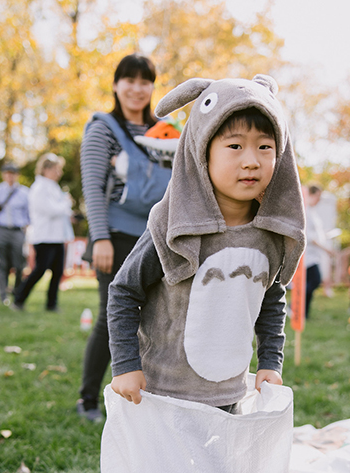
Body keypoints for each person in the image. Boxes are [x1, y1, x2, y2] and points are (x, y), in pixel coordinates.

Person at [108, 74, 305, 412]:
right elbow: (125, 292)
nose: (251, 160)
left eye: (265, 147)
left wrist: (271, 360)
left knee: (218, 466)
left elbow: (271, 299)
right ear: (203, 152)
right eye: (235, 145)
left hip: (228, 394)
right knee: (167, 468)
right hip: (164, 393)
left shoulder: (270, 234)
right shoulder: (175, 226)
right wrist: (126, 365)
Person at [77, 53, 171, 422]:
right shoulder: (102, 129)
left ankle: (145, 398)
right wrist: (98, 237)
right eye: (129, 80)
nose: (136, 88)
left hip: (155, 236)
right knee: (110, 316)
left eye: (144, 81)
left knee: (156, 319)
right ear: (116, 84)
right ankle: (87, 399)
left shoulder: (165, 130)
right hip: (114, 235)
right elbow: (92, 186)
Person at [12, 153, 73, 311]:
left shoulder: (54, 187)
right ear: (46, 169)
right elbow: (52, 210)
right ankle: (19, 299)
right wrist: (66, 203)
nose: (59, 173)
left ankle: (51, 304)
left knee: (57, 272)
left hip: (57, 237)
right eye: (56, 169)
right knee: (39, 271)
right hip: (44, 236)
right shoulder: (39, 188)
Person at [0, 162, 30, 305]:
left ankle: (18, 292)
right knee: (2, 264)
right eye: (7, 173)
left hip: (17, 231)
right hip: (1, 230)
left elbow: (29, 213)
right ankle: (3, 295)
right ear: (3, 174)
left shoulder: (24, 193)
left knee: (19, 264)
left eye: (12, 173)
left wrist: (27, 227)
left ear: (17, 175)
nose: (10, 176)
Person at [305, 184, 334, 319]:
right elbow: (310, 237)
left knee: (311, 283)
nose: (319, 200)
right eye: (318, 196)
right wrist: (326, 249)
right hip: (308, 255)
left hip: (314, 255)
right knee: (315, 280)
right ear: (311, 195)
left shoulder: (313, 212)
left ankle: (305, 313)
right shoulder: (305, 212)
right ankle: (295, 306)